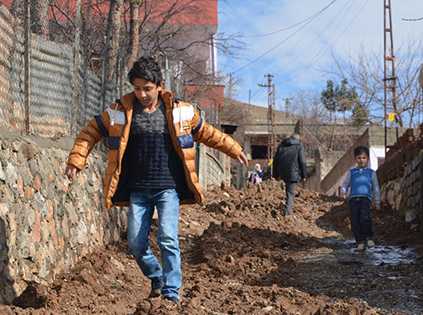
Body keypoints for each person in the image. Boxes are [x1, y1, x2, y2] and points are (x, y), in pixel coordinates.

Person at [64, 56, 249, 303]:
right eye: (137, 88)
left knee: (168, 238)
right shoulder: (120, 111)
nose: (141, 94)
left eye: (147, 89)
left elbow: (207, 133)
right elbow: (91, 131)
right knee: (135, 244)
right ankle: (157, 276)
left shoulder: (181, 112)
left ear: (160, 85)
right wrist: (76, 160)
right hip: (138, 190)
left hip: (167, 188)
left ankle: (171, 291)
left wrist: (234, 149)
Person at [340, 146, 381, 252]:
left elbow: (376, 187)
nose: (361, 160)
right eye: (359, 158)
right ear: (355, 159)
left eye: (364, 158)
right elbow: (345, 183)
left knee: (364, 218)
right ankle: (361, 242)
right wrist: (343, 192)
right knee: (354, 222)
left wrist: (377, 201)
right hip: (353, 200)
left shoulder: (371, 172)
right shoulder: (352, 172)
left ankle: (369, 238)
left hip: (365, 199)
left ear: (367, 159)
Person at [272, 133, 307, 217]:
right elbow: (303, 162)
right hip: (293, 173)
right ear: (297, 139)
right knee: (290, 193)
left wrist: (276, 175)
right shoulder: (298, 147)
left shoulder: (281, 147)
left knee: (287, 190)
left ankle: (285, 208)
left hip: (282, 173)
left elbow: (275, 161)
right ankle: (287, 213)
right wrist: (303, 175)